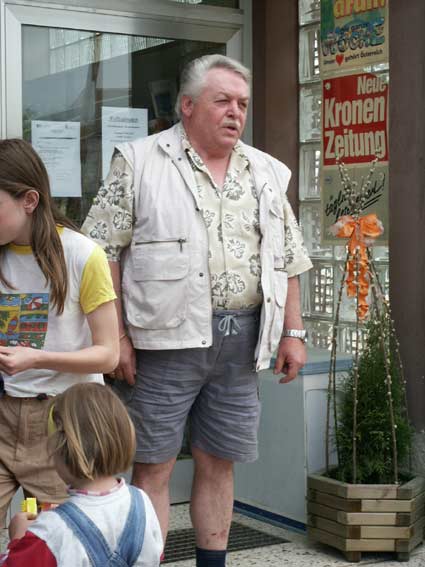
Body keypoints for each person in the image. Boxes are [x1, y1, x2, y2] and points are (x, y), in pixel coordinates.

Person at [82, 54, 313, 567]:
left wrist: (292, 332)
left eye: (243, 104)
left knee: (219, 461)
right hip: (162, 343)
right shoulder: (139, 161)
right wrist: (116, 337)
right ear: (187, 106)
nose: (236, 113)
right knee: (153, 464)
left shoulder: (265, 171)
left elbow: (289, 257)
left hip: (242, 341)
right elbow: (100, 253)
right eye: (223, 101)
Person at [0, 139, 119, 527]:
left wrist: (37, 358)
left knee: (49, 534)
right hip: (5, 413)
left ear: (29, 200)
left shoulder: (83, 254)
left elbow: (108, 354)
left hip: (60, 422)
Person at [0, 382, 163, 566]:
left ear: (61, 447)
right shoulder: (141, 502)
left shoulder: (50, 530)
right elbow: (154, 556)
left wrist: (19, 538)